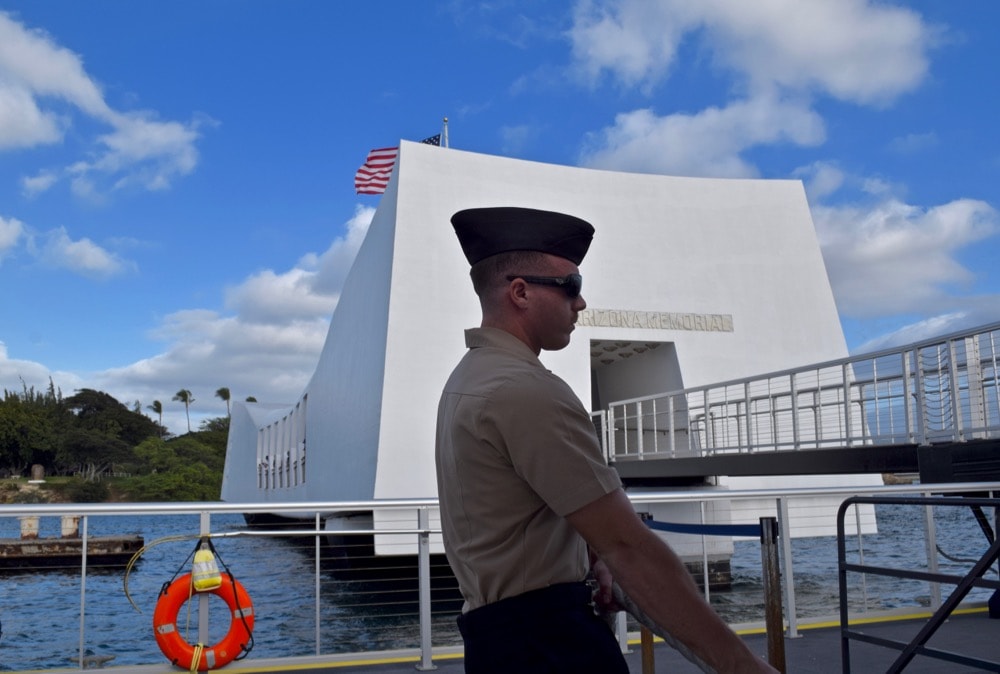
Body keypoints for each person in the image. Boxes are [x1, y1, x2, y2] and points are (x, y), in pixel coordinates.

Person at [435, 206, 778, 674]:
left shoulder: (469, 379)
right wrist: (744, 668)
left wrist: (586, 556)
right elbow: (631, 550)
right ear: (520, 292)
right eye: (571, 286)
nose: (580, 303)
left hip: (498, 640)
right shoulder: (526, 390)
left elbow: (525, 513)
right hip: (551, 647)